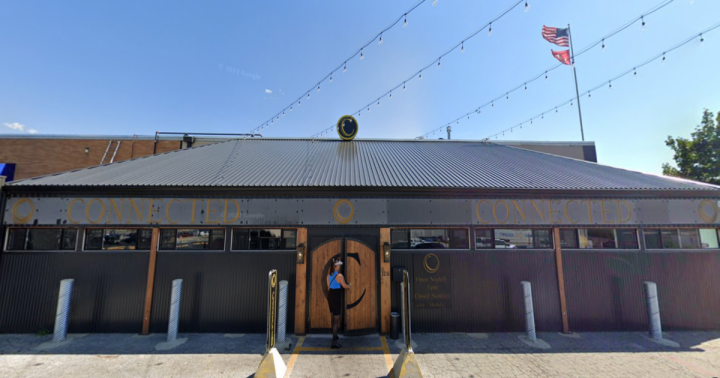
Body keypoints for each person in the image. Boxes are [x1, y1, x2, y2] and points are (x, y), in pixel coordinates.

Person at [327, 258, 351, 348]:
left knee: (333, 317)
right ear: (336, 266)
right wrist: (349, 286)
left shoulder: (328, 275)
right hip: (336, 296)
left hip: (330, 296)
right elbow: (344, 285)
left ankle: (335, 335)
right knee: (336, 319)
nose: (340, 266)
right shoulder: (340, 276)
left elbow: (328, 287)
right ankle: (334, 341)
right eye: (339, 265)